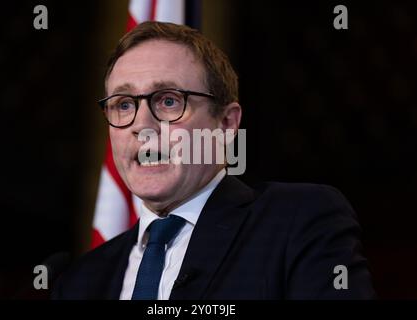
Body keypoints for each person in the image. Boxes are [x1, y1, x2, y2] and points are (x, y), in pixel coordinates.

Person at [52, 21, 375, 299]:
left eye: (168, 100)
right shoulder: (82, 281)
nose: (141, 125)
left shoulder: (297, 221)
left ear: (226, 123)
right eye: (123, 105)